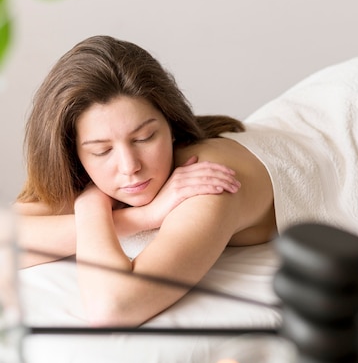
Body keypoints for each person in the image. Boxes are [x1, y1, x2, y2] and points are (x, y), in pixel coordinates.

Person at [15, 35, 277, 326]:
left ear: (171, 125)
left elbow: (112, 308)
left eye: (144, 138)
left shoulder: (207, 181)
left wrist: (90, 204)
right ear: (74, 154)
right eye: (102, 151)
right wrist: (137, 216)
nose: (129, 166)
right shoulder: (96, 180)